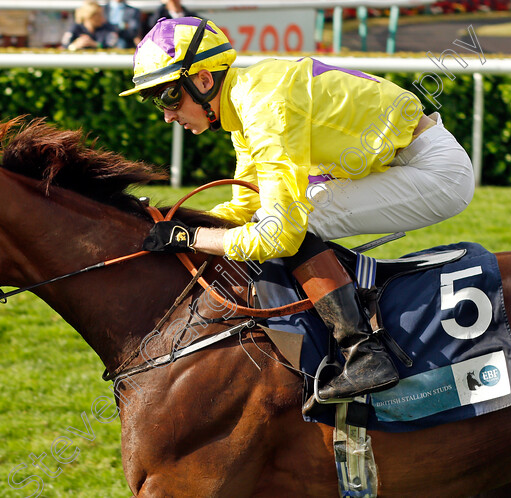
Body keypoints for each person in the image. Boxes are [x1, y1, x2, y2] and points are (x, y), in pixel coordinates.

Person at [121, 17, 475, 401]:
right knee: (281, 215)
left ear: (204, 81)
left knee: (298, 220)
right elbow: (245, 204)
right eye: (155, 100)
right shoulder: (246, 103)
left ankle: (364, 353)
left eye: (168, 96)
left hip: (434, 171)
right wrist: (174, 225)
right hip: (400, 159)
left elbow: (280, 232)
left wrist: (195, 238)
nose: (166, 114)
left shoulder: (263, 106)